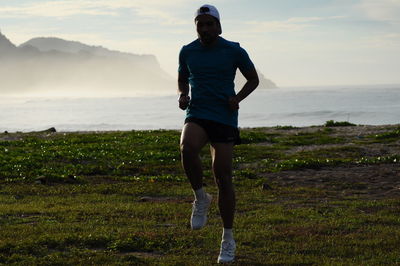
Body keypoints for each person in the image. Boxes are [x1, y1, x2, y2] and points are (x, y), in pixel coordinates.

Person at [178, 4, 259, 263]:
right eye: (200, 24)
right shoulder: (187, 51)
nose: (204, 28)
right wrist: (182, 93)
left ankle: (228, 238)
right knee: (187, 147)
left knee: (223, 176)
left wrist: (238, 98)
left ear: (218, 26)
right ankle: (201, 197)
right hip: (198, 112)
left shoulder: (233, 50)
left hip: (223, 116)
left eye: (209, 24)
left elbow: (253, 79)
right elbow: (182, 77)